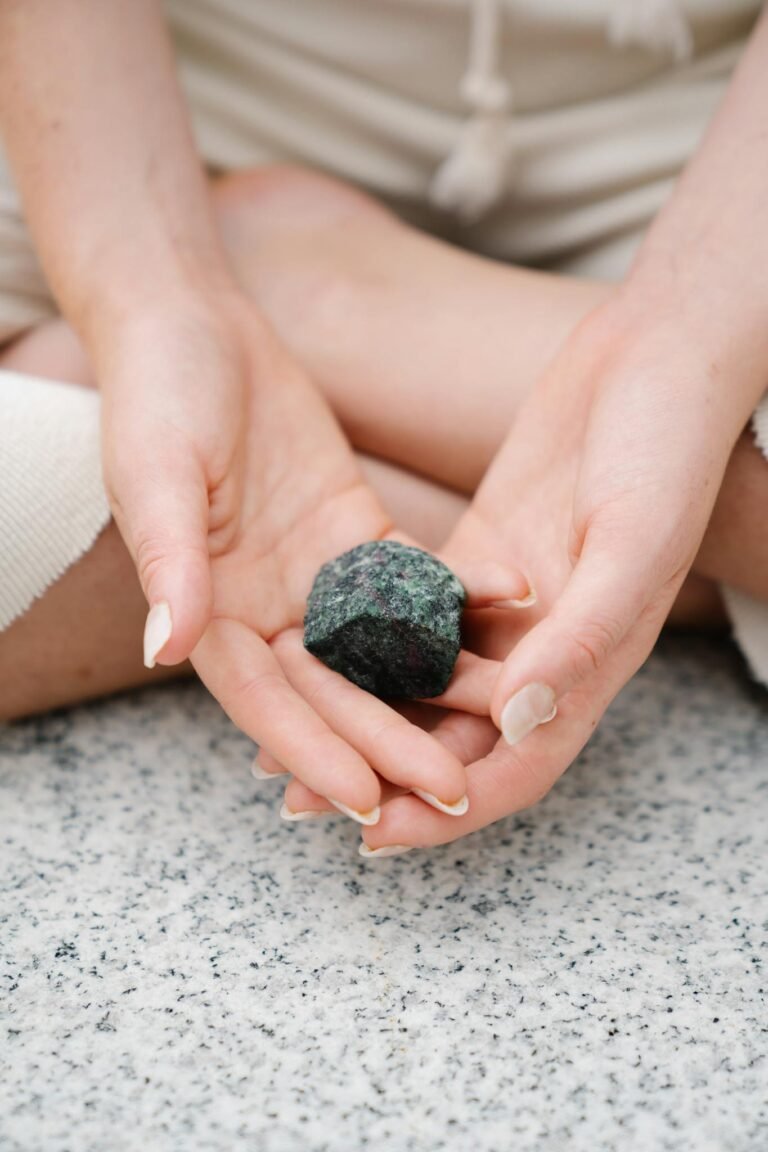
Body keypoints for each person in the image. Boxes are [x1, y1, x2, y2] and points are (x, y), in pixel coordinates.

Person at [0, 1, 766, 858]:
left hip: (699, 163)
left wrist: (683, 333)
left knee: (683, 406)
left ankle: (339, 305)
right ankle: (650, 550)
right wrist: (153, 298)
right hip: (146, 140)